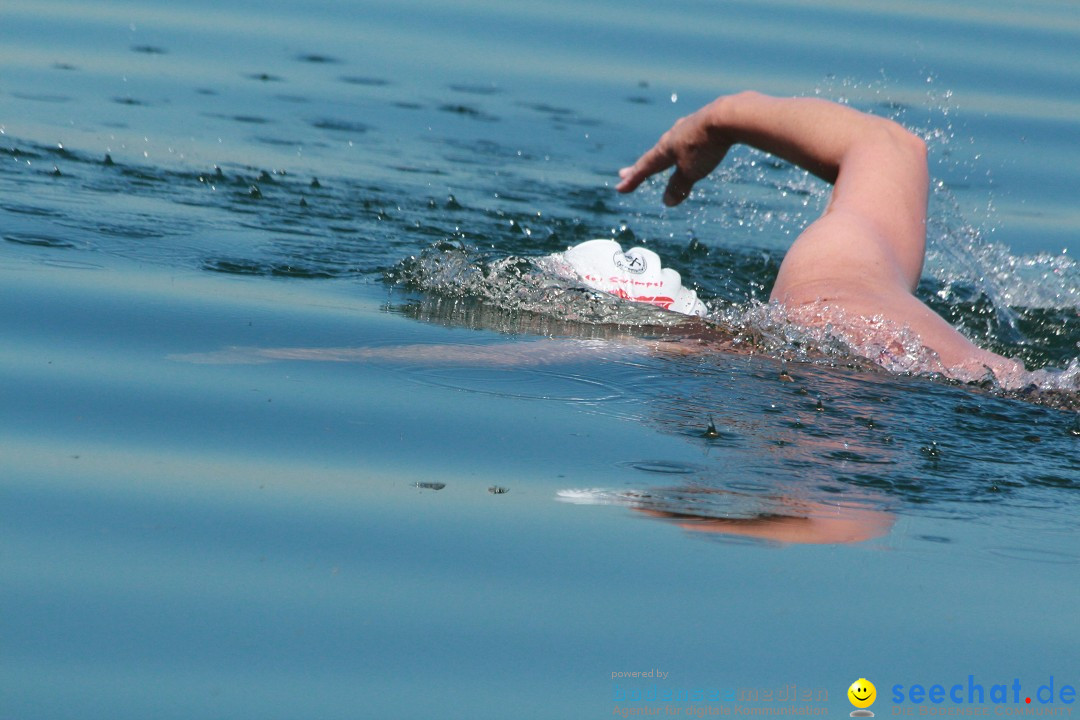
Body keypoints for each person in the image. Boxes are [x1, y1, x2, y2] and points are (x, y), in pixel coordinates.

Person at [612, 91, 1027, 385]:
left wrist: (717, 119)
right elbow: (889, 146)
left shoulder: (832, 307)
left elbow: (889, 146)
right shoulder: (995, 374)